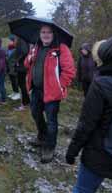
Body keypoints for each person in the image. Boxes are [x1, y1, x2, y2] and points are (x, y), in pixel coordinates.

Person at [65, 33, 112, 193]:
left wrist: (73, 150)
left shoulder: (102, 83)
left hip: (98, 154)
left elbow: (86, 124)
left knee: (83, 189)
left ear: (109, 52)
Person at [25, 25, 75, 163]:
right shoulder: (36, 47)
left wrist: (59, 86)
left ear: (53, 34)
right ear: (39, 34)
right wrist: (30, 56)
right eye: (43, 32)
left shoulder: (61, 48)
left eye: (49, 32)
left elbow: (69, 71)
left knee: (51, 121)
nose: (45, 35)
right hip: (36, 90)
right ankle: (41, 137)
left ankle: (49, 147)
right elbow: (26, 64)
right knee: (35, 113)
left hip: (52, 93)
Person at [13, 36, 30, 111]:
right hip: (22, 67)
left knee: (22, 85)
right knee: (22, 85)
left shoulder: (22, 40)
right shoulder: (22, 40)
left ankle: (24, 104)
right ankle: (27, 102)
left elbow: (25, 51)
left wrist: (18, 60)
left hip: (22, 67)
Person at [6, 35, 20, 100]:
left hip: (14, 68)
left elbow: (17, 58)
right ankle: (14, 92)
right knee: (12, 80)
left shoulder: (16, 49)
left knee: (15, 81)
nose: (9, 42)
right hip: (9, 67)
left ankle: (18, 93)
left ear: (14, 41)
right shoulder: (9, 48)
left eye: (10, 41)